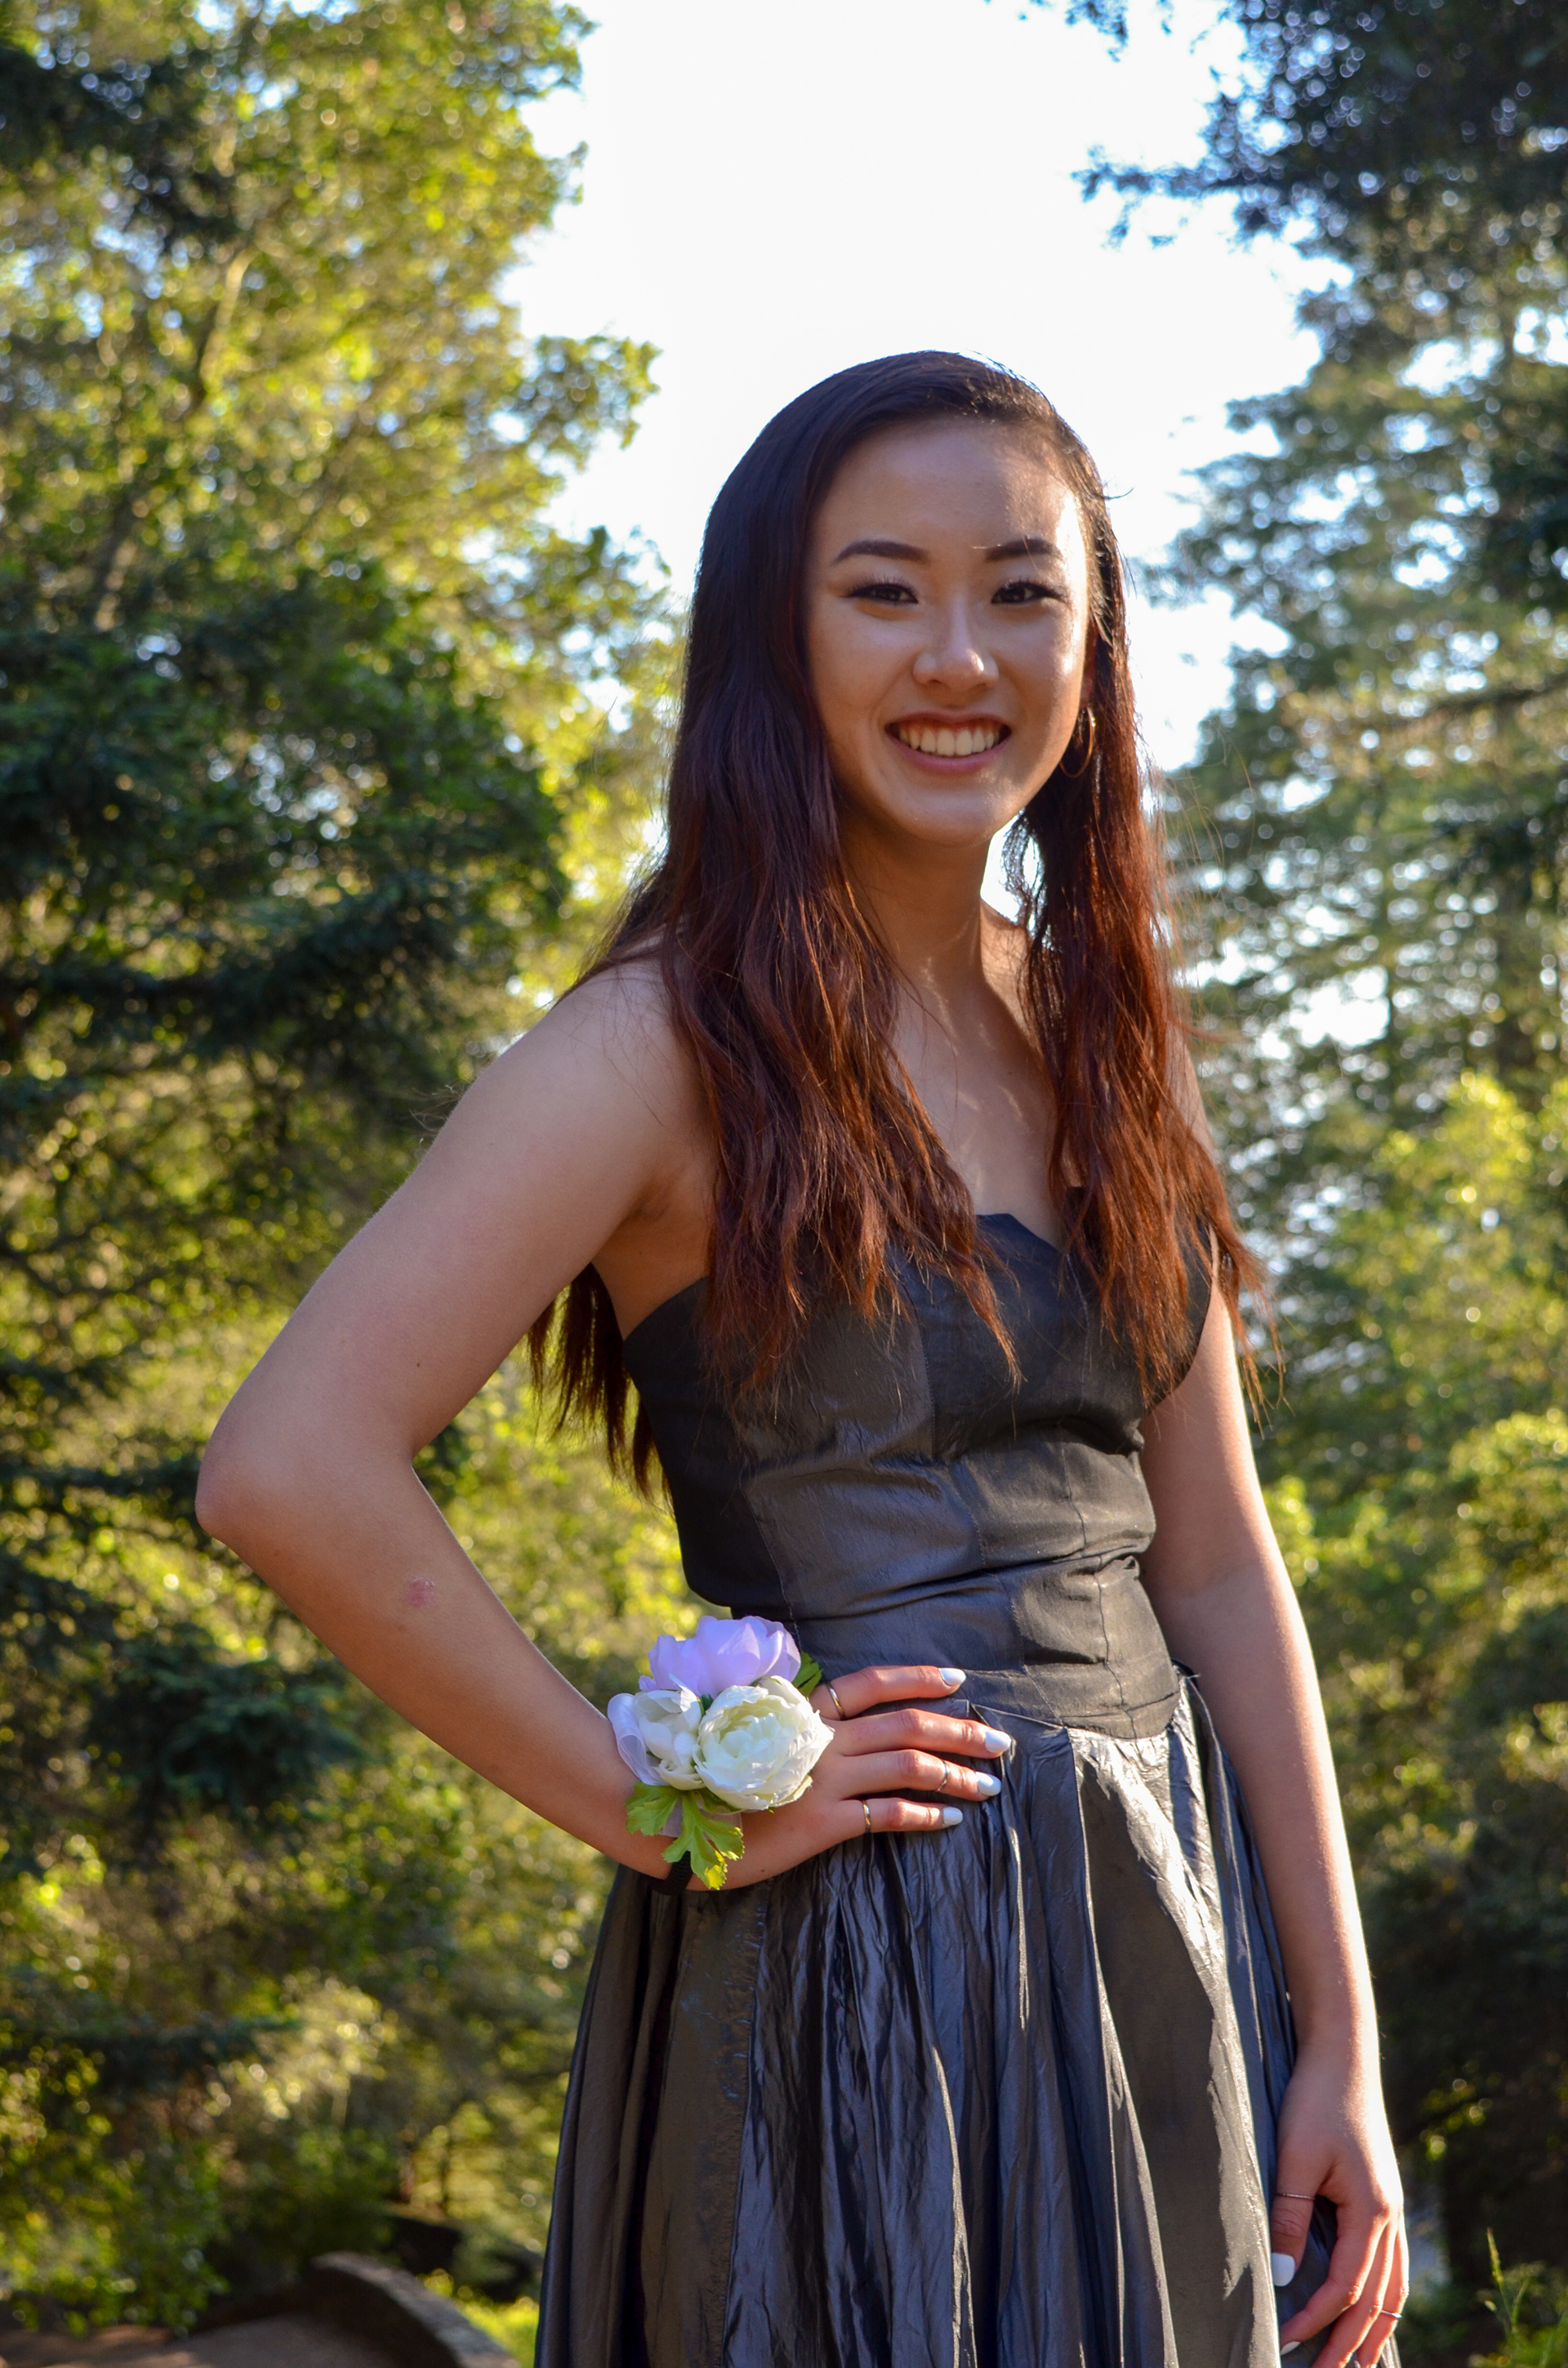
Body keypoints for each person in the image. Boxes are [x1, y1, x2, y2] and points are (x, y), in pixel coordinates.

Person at [198, 351, 1407, 2368]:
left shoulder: (1108, 1032)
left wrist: (1340, 2033)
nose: (961, 655)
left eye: (1022, 591)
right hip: (856, 1977)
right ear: (779, 631)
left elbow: (1214, 1561)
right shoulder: (654, 1043)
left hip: (1164, 1947)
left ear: (1094, 644)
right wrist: (648, 1803)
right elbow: (288, 1464)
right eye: (884, 590)